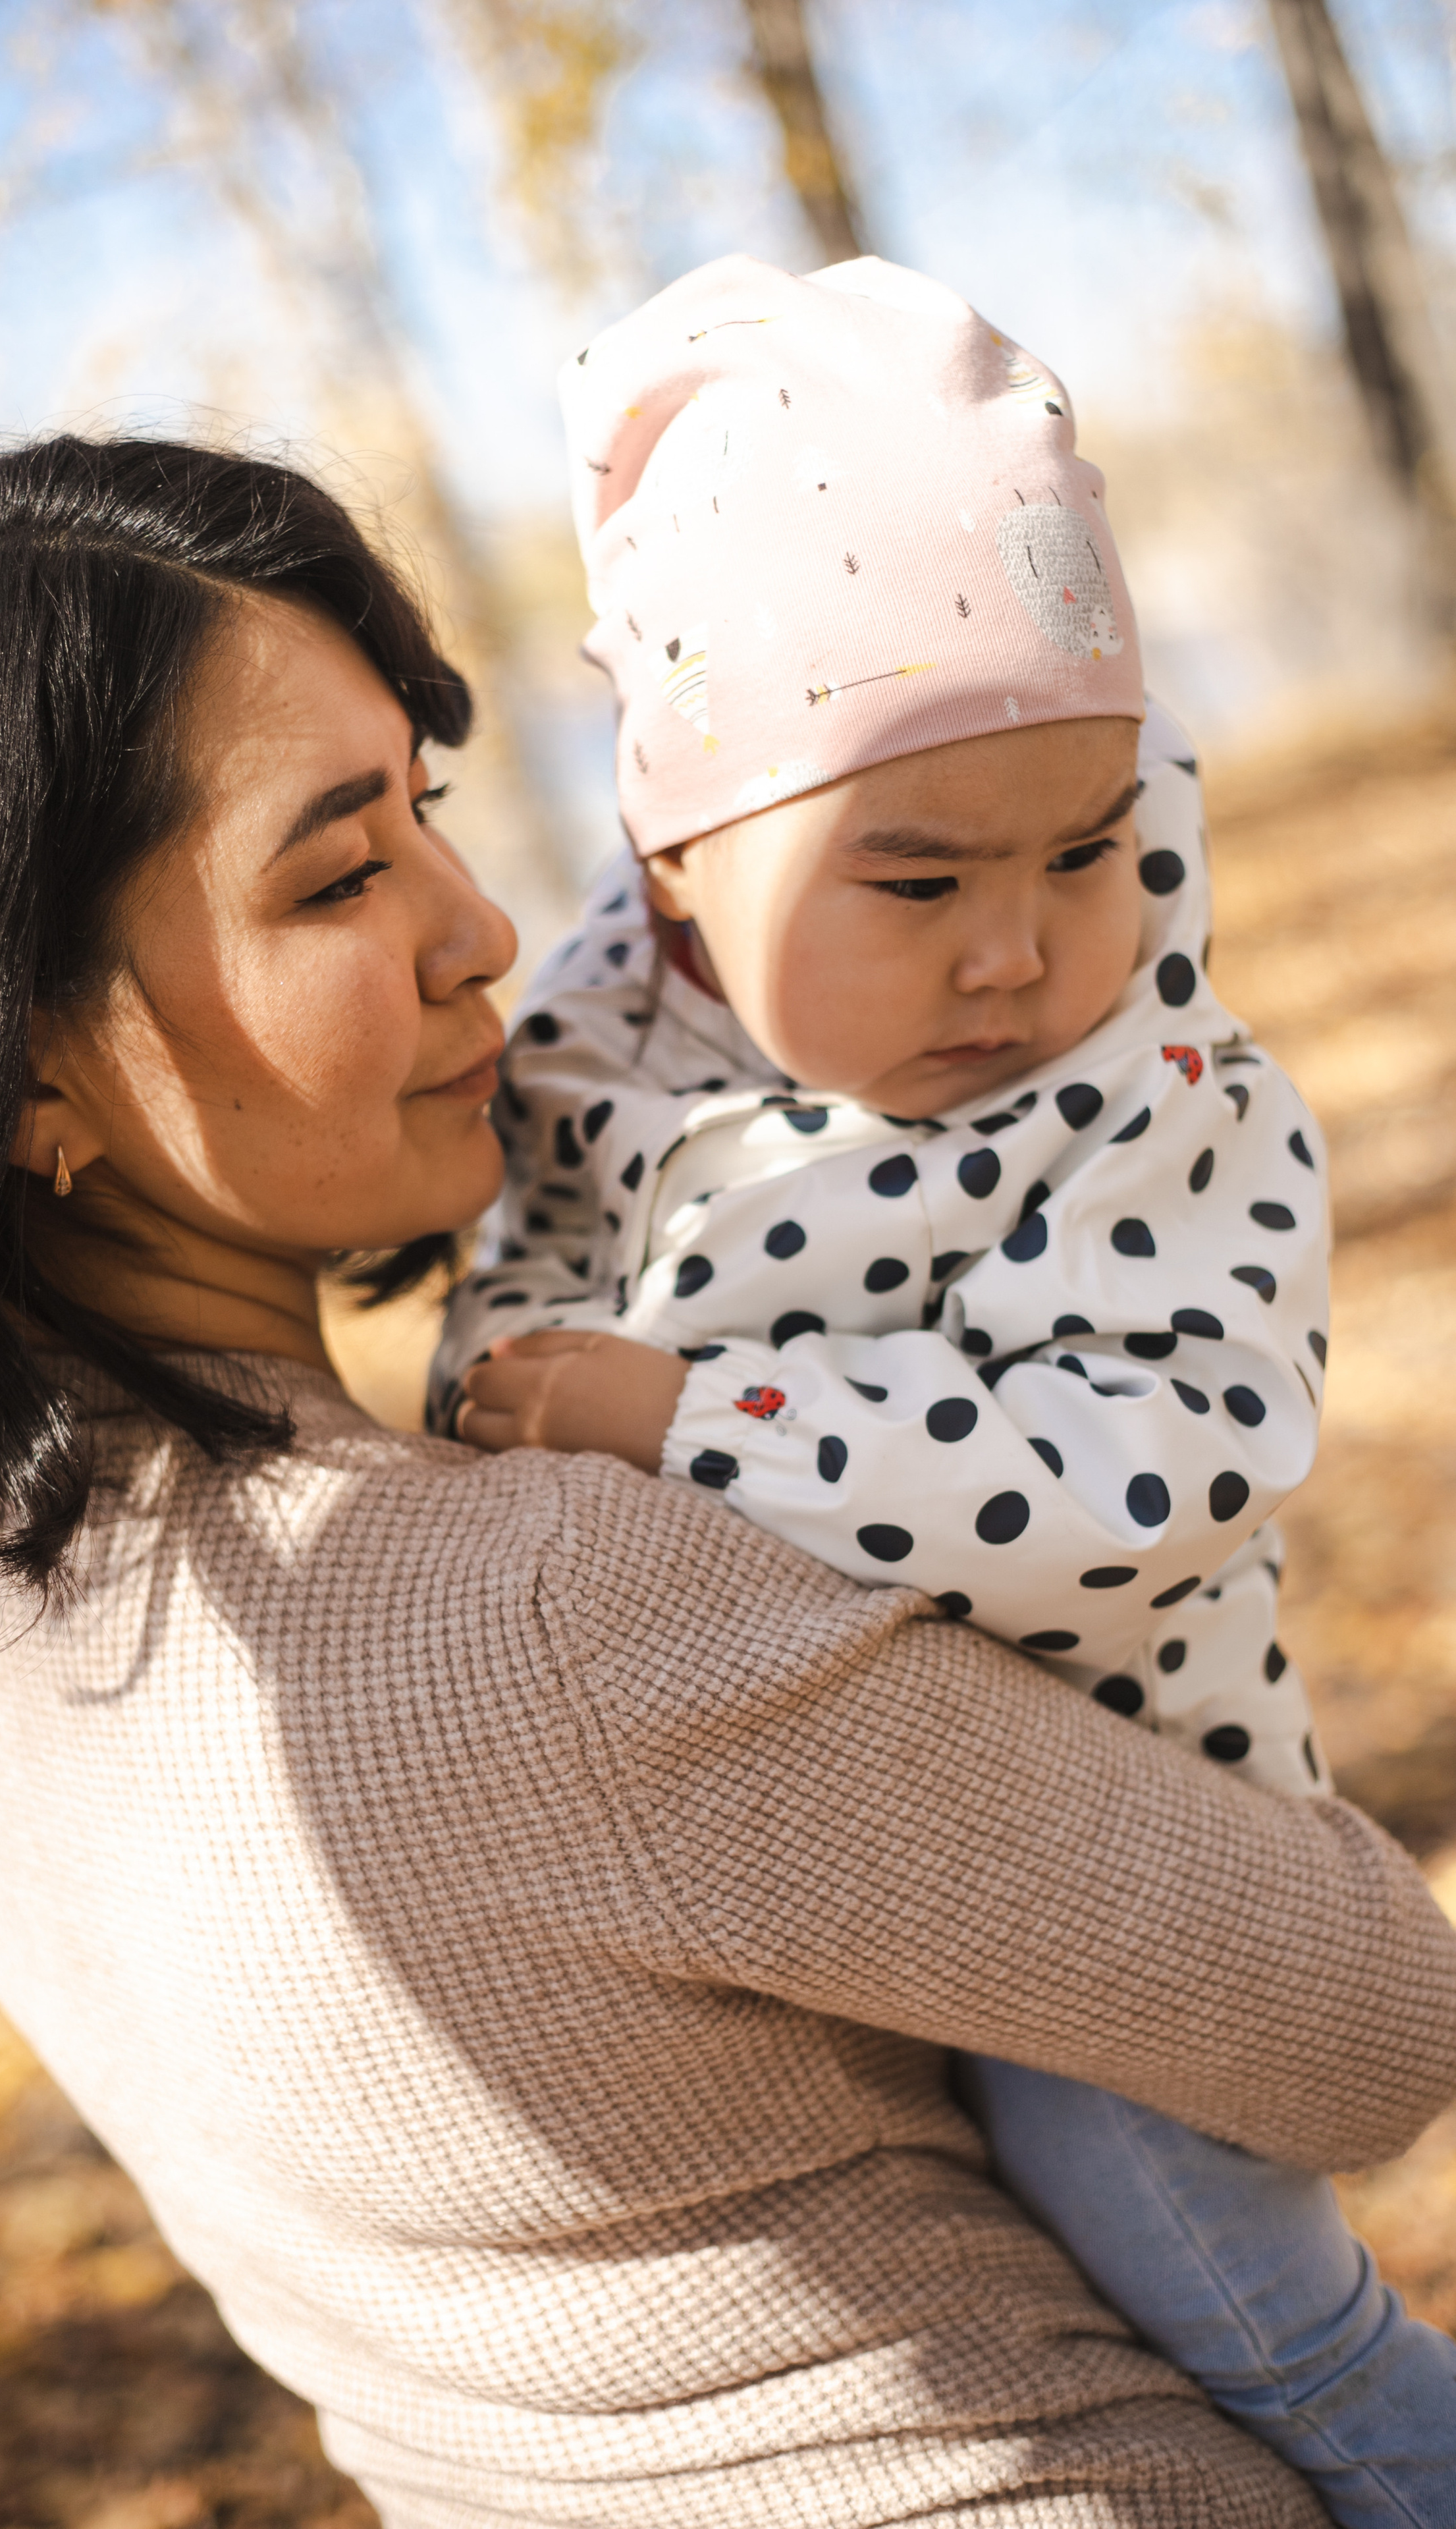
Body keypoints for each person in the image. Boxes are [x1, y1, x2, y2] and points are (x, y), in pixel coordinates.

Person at [0, 435, 1455, 2529]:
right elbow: (1368, 2024)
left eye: (427, 813)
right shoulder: (546, 1606)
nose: (483, 929)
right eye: (337, 877)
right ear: (15, 1058)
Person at [434, 256, 1456, 2519]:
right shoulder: (600, 1050)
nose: (1017, 948)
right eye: (915, 882)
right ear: (677, 873)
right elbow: (534, 1294)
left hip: (1124, 1871)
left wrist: (695, 1428)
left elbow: (1159, 1466)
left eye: (1085, 849)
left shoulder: (1156, 1098)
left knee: (1262, 2339)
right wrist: (509, 1391)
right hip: (814, 1867)